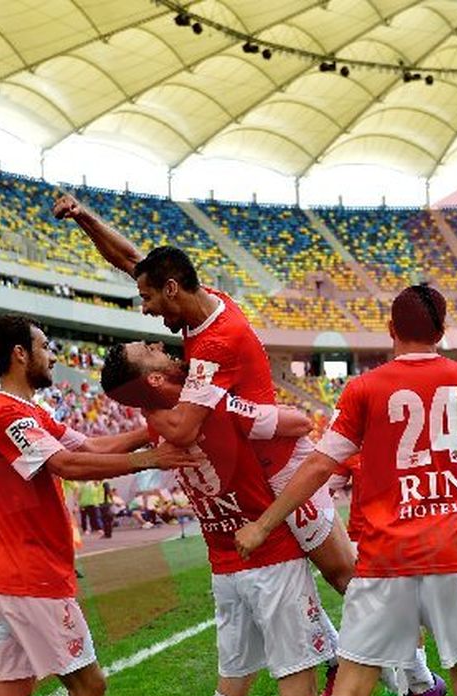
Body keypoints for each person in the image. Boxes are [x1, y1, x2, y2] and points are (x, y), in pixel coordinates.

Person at [236, 285, 457, 696]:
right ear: (442, 330)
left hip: (385, 557)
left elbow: (319, 464)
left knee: (350, 691)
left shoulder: (364, 388)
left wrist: (263, 524)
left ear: (391, 330)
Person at [56, 197, 356, 595]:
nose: (145, 310)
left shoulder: (215, 346)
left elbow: (180, 430)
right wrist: (84, 219)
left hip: (278, 463)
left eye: (147, 298)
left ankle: (408, 657)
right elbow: (130, 259)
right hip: (252, 458)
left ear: (172, 289)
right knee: (282, 580)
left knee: (342, 574)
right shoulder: (200, 303)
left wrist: (144, 398)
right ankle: (341, 654)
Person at [0, 313, 199, 696]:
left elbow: (90, 447)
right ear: (20, 354)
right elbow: (65, 464)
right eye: (45, 346)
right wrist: (148, 460)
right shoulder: (3, 413)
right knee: (89, 686)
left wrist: (157, 429)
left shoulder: (31, 413)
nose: (53, 356)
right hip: (30, 578)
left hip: (7, 577)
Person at [100, 341, 337, 696]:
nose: (158, 345)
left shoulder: (158, 427)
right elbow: (298, 422)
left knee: (230, 690)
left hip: (225, 568)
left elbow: (97, 448)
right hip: (271, 557)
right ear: (155, 378)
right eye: (148, 349)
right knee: (298, 687)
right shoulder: (215, 407)